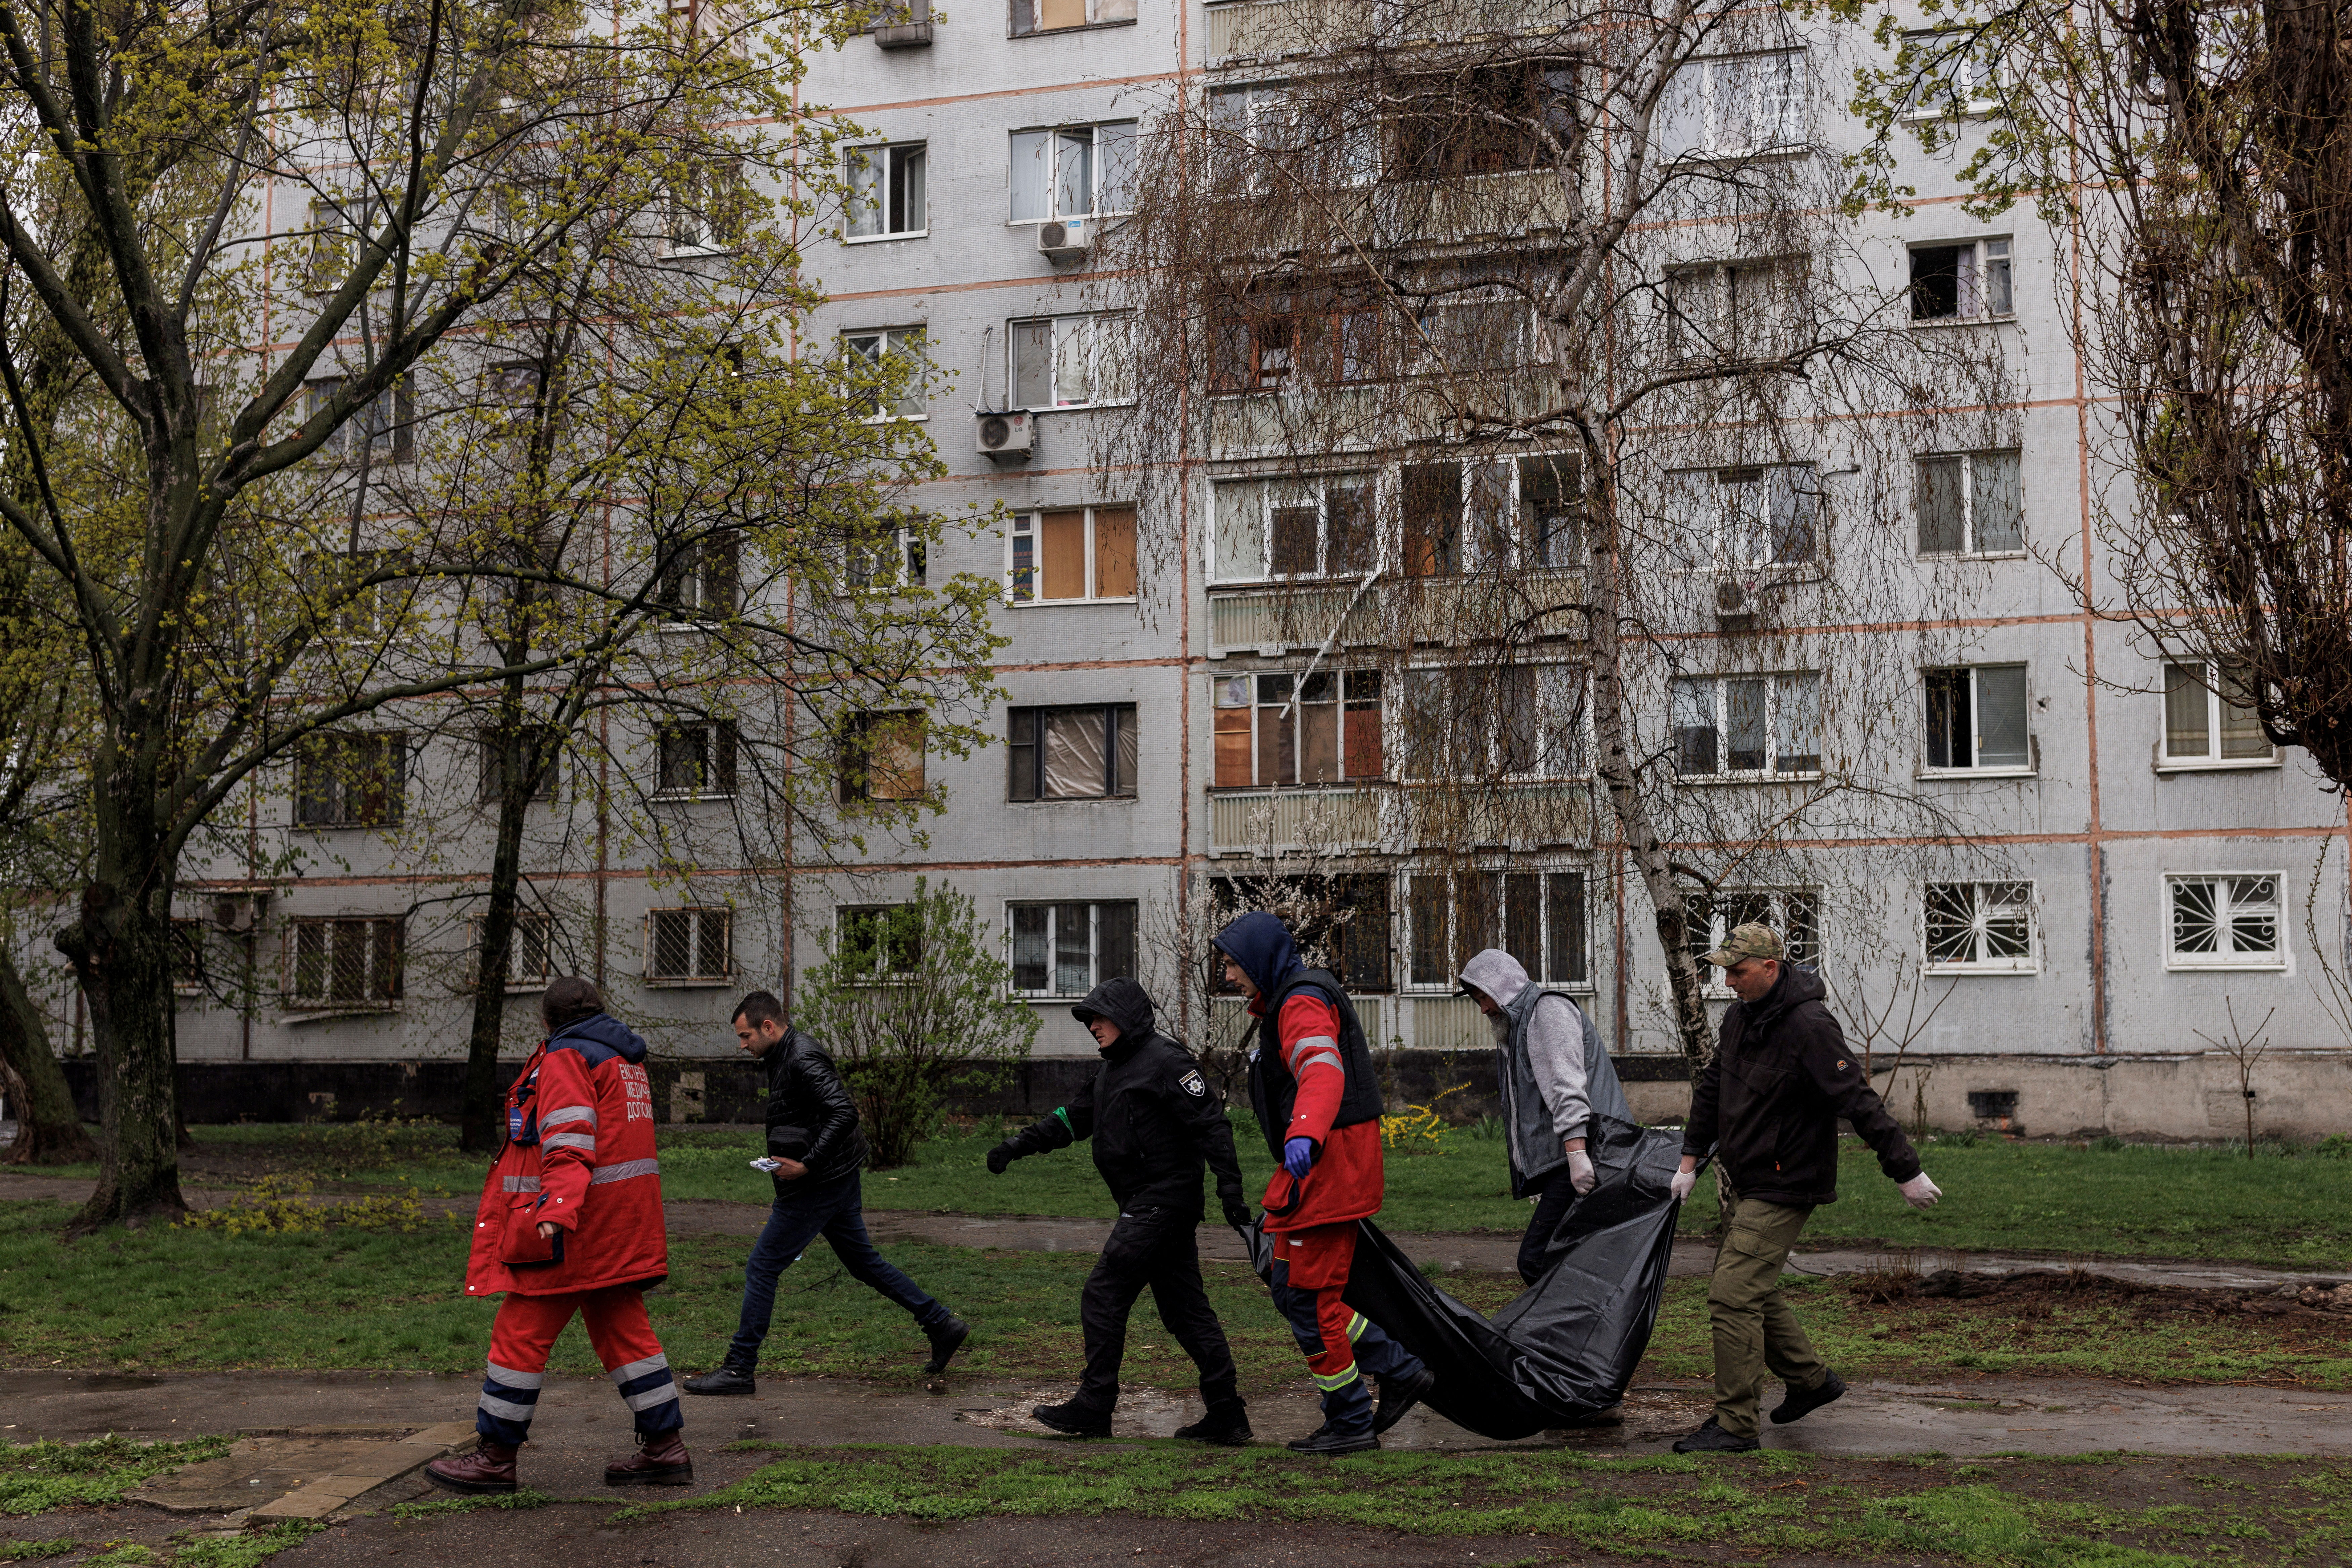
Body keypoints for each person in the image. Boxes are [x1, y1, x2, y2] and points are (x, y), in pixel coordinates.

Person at [1668, 924, 1943, 1454]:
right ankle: (1812, 1381)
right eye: (1725, 970)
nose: (1728, 981)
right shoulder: (1740, 1017)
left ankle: (1735, 1423)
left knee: (1732, 1293)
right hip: (1749, 1176)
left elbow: (1858, 1099)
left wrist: (1905, 1170)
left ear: (1770, 968)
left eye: (1739, 971)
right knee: (1753, 1287)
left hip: (1788, 1178)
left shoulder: (1810, 1025)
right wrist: (1689, 1159)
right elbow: (1713, 1086)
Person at [428, 977, 691, 1494]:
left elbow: (570, 1141)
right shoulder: (624, 1059)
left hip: (574, 1232)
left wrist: (557, 1209)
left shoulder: (568, 1057)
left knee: (519, 1333)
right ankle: (665, 1446)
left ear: (546, 1020)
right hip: (620, 1228)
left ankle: (496, 1457)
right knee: (624, 1332)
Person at [985, 975, 1255, 1444]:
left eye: (1101, 1016)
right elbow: (1072, 1118)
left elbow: (1212, 1124)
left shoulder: (1167, 1061)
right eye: (1089, 1018)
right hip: (1144, 1203)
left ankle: (1094, 1405)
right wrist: (1018, 1144)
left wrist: (1230, 1189)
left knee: (1104, 1291)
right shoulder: (1112, 1069)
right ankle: (1227, 1412)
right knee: (1186, 1311)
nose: (1092, 1025)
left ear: (1127, 1016)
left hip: (1164, 1200)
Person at [1212, 910, 1433, 1456]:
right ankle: (1396, 1370)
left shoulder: (1302, 1001)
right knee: (1291, 1292)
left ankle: (1352, 1418)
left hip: (1324, 1166)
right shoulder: (1288, 999)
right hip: (1313, 1168)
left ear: (1259, 958)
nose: (1227, 975)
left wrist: (1306, 1133)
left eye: (1232, 963)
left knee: (1310, 1302)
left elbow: (1321, 1067)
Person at [681, 991, 967, 1396]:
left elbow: (843, 1111)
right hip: (834, 1176)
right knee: (863, 1262)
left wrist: (808, 1164)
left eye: (745, 1035)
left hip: (818, 1182)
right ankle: (940, 1322)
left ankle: (739, 1367)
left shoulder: (800, 1056)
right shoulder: (782, 1055)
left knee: (762, 1267)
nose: (742, 1045)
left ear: (768, 1026)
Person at [1457, 947, 1630, 1287]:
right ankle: (1581, 1332)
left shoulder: (1546, 1011)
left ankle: (1577, 1331)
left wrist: (1577, 1154)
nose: (1484, 1008)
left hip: (1591, 1154)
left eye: (1484, 996)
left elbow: (1566, 1086)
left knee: (1537, 1258)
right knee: (1566, 1257)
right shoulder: (1521, 1023)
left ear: (1503, 986)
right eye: (1477, 1000)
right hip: (1571, 1158)